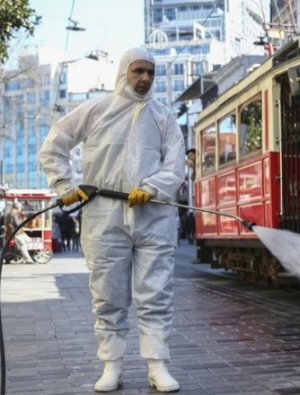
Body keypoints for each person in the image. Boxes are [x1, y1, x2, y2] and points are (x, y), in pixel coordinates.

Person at [39, 48, 185, 392]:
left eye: (150, 72)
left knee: (156, 293)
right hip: (104, 216)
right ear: (124, 72)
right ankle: (112, 366)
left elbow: (176, 167)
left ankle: (157, 365)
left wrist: (152, 187)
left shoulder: (163, 117)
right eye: (138, 71)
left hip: (155, 216)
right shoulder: (96, 110)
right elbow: (54, 145)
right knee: (108, 294)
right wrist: (64, 184)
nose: (145, 78)